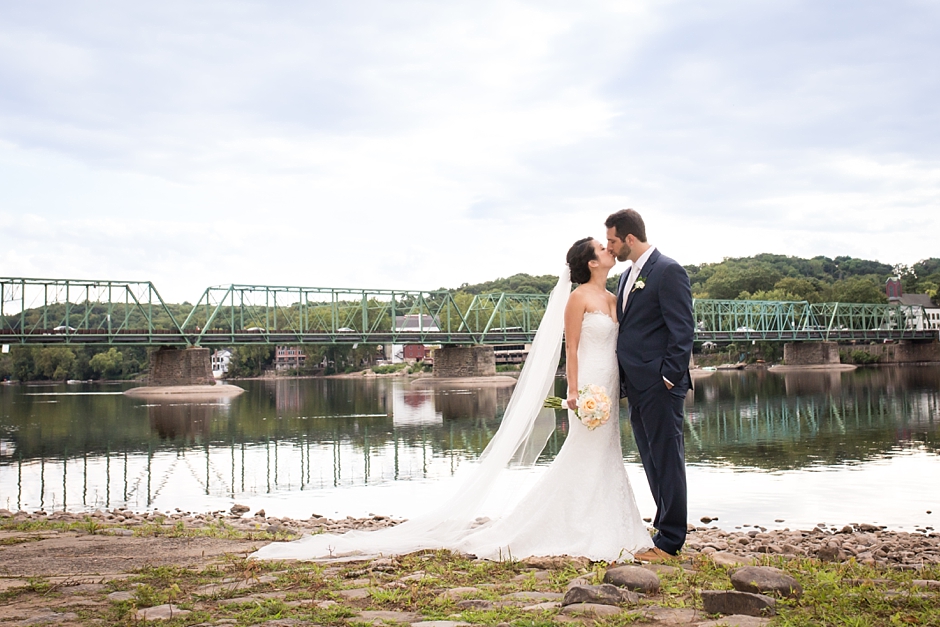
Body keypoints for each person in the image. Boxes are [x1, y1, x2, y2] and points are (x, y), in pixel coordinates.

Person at [250, 237, 652, 562]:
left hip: (610, 384)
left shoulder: (617, 298)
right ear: (590, 262)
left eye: (607, 245)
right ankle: (576, 524)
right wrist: (575, 393)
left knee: (608, 452)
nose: (608, 250)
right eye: (601, 248)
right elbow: (572, 350)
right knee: (583, 452)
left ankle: (611, 521)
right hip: (589, 390)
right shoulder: (577, 298)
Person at [606, 209, 694, 561]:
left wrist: (669, 377)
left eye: (612, 240)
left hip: (660, 384)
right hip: (637, 386)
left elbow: (682, 329)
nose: (609, 248)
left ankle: (671, 539)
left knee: (668, 459)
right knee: (652, 459)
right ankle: (662, 530)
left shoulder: (668, 271)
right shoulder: (625, 277)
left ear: (629, 238)